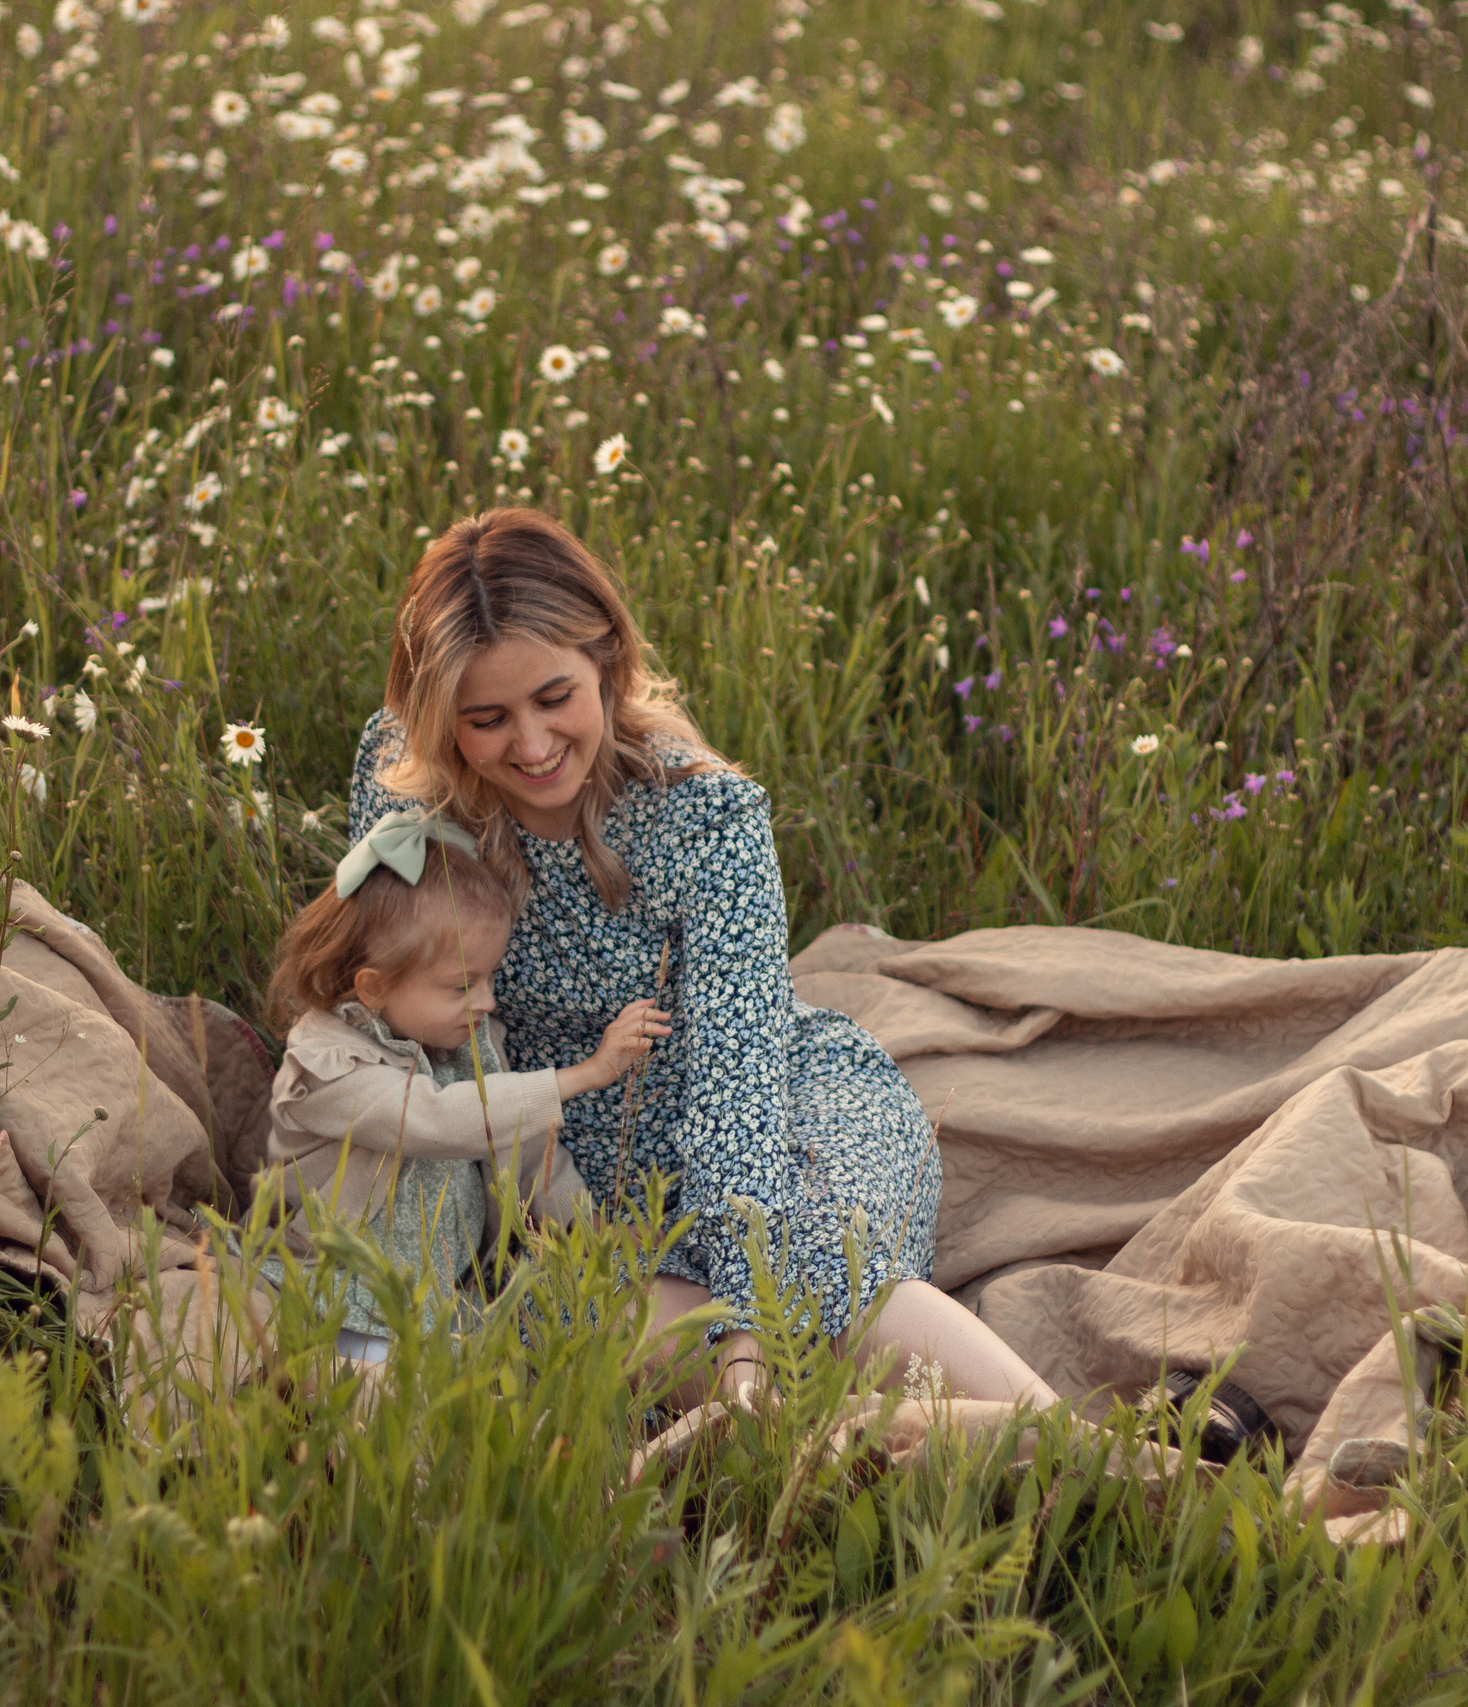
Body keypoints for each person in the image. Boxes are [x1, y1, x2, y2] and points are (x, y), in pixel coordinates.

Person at [348, 508, 1061, 1412]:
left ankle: (1096, 1455)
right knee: (573, 1321)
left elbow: (736, 1085)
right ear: (438, 716)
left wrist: (744, 1336)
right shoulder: (402, 781)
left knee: (819, 1265)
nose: (529, 745)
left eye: (554, 698)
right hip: (558, 1159)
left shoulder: (707, 817)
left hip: (762, 1106)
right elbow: (399, 1018)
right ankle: (992, 1443)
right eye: (486, 719)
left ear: (608, 657)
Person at [262, 803, 671, 1365]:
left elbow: (525, 1146)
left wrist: (586, 1224)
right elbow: (435, 1119)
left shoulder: (469, 1045)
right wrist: (586, 1075)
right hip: (341, 1291)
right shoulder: (325, 1067)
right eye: (462, 986)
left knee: (485, 1390)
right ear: (375, 988)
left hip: (442, 1298)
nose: (488, 1000)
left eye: (490, 977)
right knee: (378, 1403)